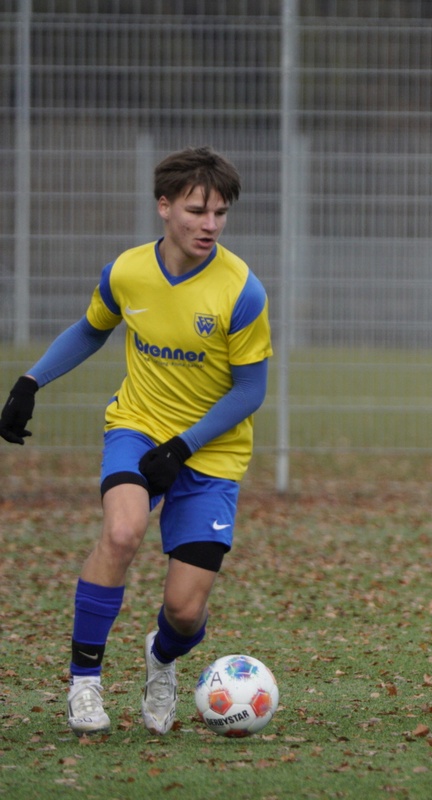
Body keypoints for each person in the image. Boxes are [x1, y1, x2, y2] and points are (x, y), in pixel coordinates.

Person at [0, 146, 272, 738]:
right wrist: (30, 381)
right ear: (164, 206)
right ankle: (85, 684)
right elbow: (90, 329)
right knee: (122, 532)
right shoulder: (126, 272)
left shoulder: (242, 290)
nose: (210, 224)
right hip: (138, 428)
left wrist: (185, 446)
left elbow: (251, 390)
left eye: (220, 213)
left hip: (212, 452)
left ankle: (162, 658)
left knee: (185, 611)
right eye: (197, 210)